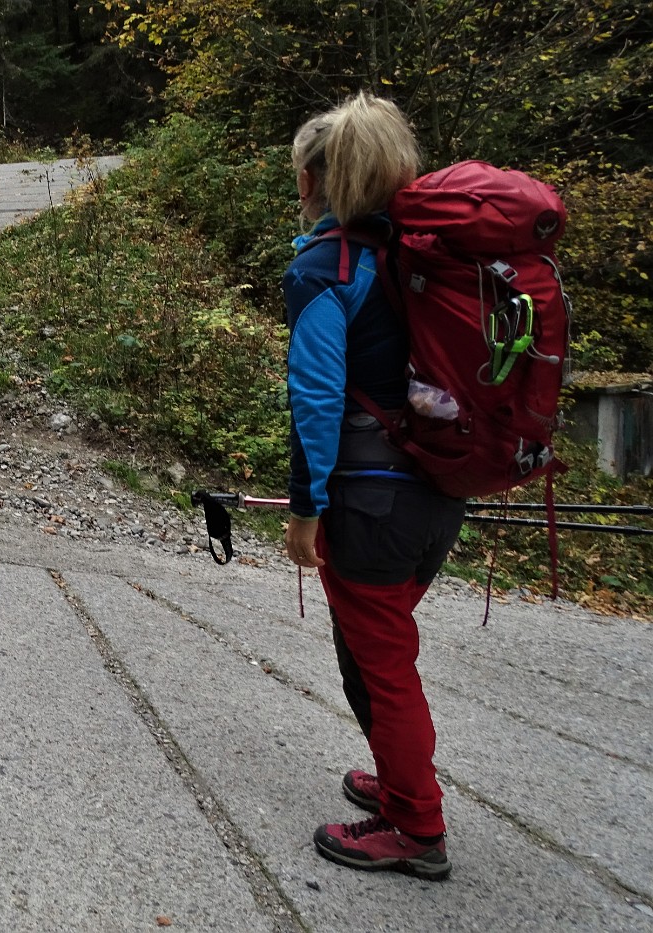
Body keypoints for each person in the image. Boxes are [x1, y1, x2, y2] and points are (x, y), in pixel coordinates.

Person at [282, 91, 466, 881]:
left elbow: (316, 400)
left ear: (312, 181)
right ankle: (399, 781)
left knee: (382, 664)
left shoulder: (327, 268)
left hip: (371, 503)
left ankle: (415, 827)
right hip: (438, 496)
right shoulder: (424, 258)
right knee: (374, 652)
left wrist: (303, 508)